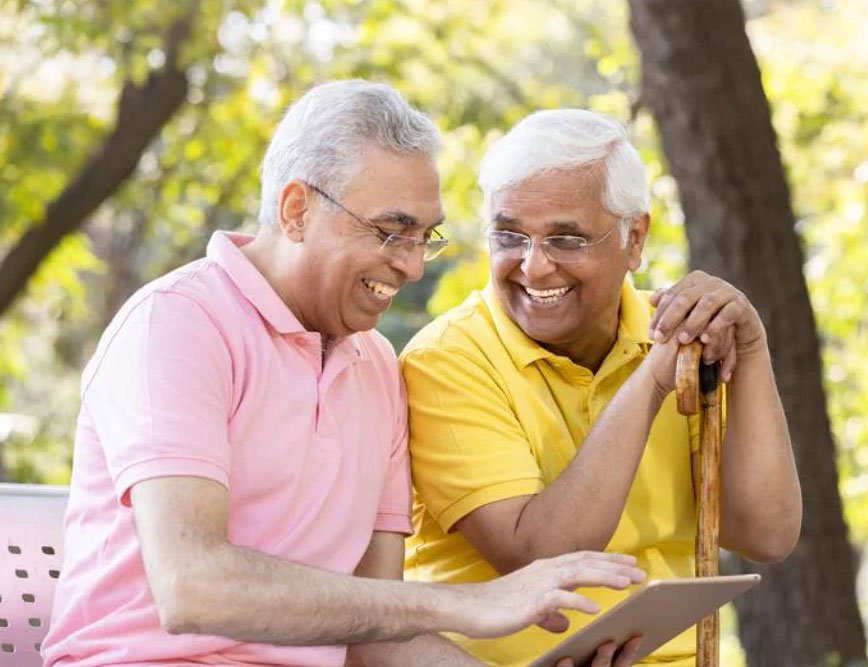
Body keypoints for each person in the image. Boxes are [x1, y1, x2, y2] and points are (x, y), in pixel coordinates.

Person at [42, 83, 647, 667]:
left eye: (423, 237)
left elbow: (377, 638)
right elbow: (192, 584)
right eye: (391, 231)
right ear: (297, 210)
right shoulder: (177, 325)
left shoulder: (378, 366)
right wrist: (468, 604)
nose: (411, 266)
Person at [401, 109, 803, 666]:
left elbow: (766, 533)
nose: (534, 267)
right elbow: (539, 554)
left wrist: (752, 345)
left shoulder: (679, 339)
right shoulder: (447, 359)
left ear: (633, 239)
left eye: (565, 239)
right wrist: (654, 379)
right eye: (509, 235)